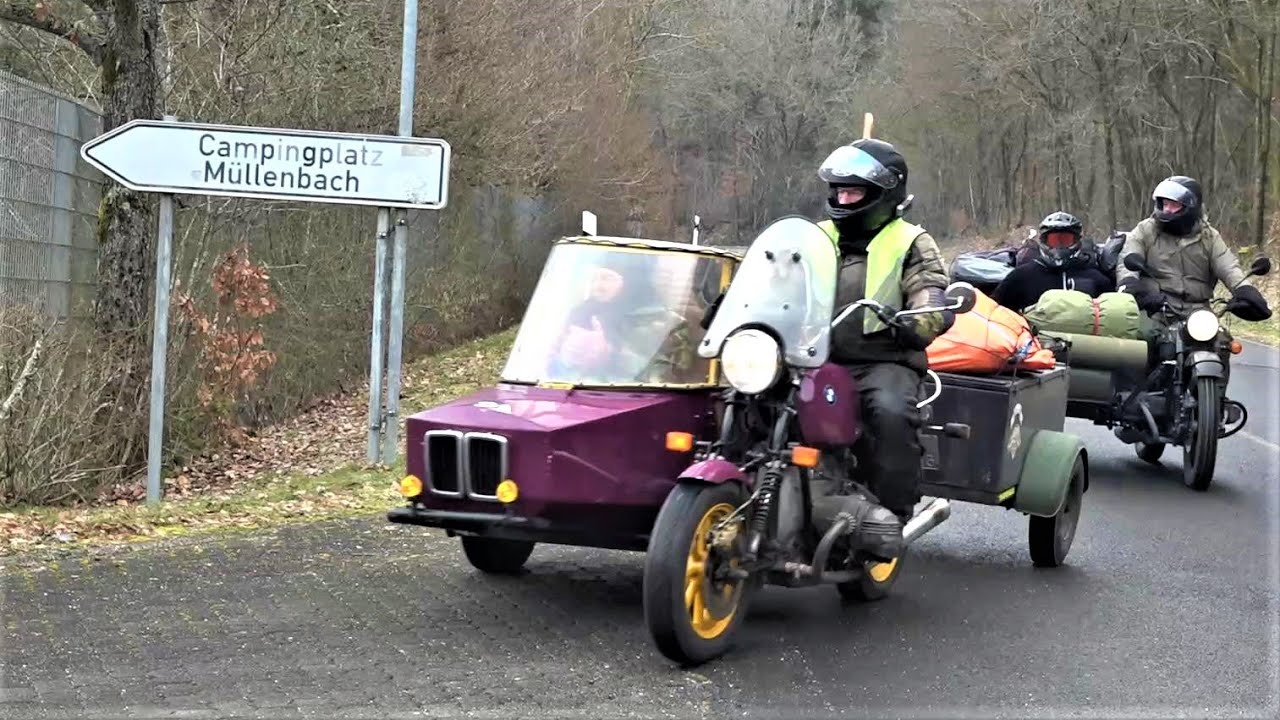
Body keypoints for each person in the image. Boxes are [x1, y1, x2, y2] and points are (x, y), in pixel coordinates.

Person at [815, 138, 953, 527]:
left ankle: (891, 517)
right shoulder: (817, 236)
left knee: (890, 413)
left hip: (881, 359)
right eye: (839, 191)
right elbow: (779, 278)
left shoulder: (912, 240)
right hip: (811, 356)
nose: (844, 200)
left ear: (883, 193)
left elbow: (930, 289)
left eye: (854, 191)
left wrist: (922, 317)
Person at [1115, 176, 1271, 324]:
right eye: (1165, 204)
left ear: (1191, 207)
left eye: (1174, 205)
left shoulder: (1209, 237)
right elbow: (1128, 258)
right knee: (1145, 341)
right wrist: (1130, 284)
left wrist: (1244, 289)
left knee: (1221, 344)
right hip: (1154, 310)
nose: (1167, 209)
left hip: (1199, 315)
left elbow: (1228, 266)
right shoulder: (1145, 231)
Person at [992, 211, 1115, 312]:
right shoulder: (1021, 276)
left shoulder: (1096, 278)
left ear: (1077, 242)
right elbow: (994, 312)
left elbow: (1113, 318)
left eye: (1065, 240)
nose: (1059, 246)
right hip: (1032, 339)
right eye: (1054, 240)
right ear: (1044, 241)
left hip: (1084, 341)